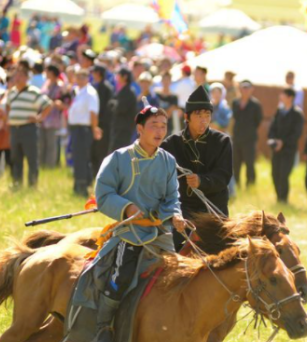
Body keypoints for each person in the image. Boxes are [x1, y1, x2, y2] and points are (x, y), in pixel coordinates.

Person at [76, 105, 185, 341]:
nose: (159, 131)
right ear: (139, 129)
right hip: (130, 231)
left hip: (160, 232)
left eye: (163, 126)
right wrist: (129, 209)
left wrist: (175, 215)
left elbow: (172, 197)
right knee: (120, 277)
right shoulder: (118, 158)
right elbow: (104, 193)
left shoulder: (168, 160)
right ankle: (104, 326)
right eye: (153, 126)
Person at [162, 86, 233, 250]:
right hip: (182, 209)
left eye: (207, 115)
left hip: (213, 209)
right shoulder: (171, 144)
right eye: (198, 115)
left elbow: (223, 177)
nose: (203, 120)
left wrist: (202, 181)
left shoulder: (222, 142)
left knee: (220, 254)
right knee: (174, 249)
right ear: (187, 117)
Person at [7, 67, 51, 189]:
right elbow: (8, 106)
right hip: (14, 129)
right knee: (16, 158)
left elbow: (48, 105)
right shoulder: (12, 92)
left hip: (28, 129)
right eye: (16, 75)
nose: (17, 78)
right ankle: (17, 183)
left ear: (27, 78)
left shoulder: (33, 91)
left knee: (32, 158)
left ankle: (32, 185)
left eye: (20, 75)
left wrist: (39, 118)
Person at [68, 69, 100, 197]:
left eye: (82, 76)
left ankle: (82, 187)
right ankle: (79, 185)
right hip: (76, 128)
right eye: (78, 76)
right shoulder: (78, 91)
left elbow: (93, 113)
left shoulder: (90, 93)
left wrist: (94, 128)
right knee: (77, 158)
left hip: (84, 129)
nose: (79, 79)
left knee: (81, 158)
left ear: (88, 78)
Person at [268, 87, 303, 203]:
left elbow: (296, 133)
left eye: (283, 95)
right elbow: (272, 127)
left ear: (290, 97)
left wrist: (283, 142)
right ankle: (278, 197)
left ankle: (283, 199)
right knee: (275, 174)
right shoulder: (279, 111)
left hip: (288, 150)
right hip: (276, 149)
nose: (280, 97)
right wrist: (273, 140)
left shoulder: (297, 114)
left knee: (284, 175)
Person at [232, 80, 262, 188]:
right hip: (237, 137)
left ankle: (250, 184)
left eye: (247, 88)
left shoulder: (256, 105)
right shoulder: (235, 102)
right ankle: (236, 184)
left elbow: (258, 121)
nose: (245, 90)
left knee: (249, 163)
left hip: (249, 138)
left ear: (251, 89)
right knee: (236, 162)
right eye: (243, 88)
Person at [91, 65, 114, 177]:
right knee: (94, 151)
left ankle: (101, 175)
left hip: (103, 125)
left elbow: (106, 108)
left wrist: (99, 122)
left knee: (101, 151)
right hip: (97, 123)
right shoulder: (95, 87)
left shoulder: (106, 88)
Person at [39, 64, 64, 168]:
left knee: (51, 144)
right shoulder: (45, 84)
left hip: (53, 119)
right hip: (42, 118)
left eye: (48, 71)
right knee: (41, 143)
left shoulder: (60, 86)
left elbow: (62, 103)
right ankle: (41, 165)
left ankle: (50, 166)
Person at [108, 68, 137, 152]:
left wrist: (114, 104)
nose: (116, 77)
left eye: (118, 75)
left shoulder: (128, 92)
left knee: (120, 152)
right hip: (119, 128)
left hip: (124, 129)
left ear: (125, 77)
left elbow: (120, 108)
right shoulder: (122, 91)